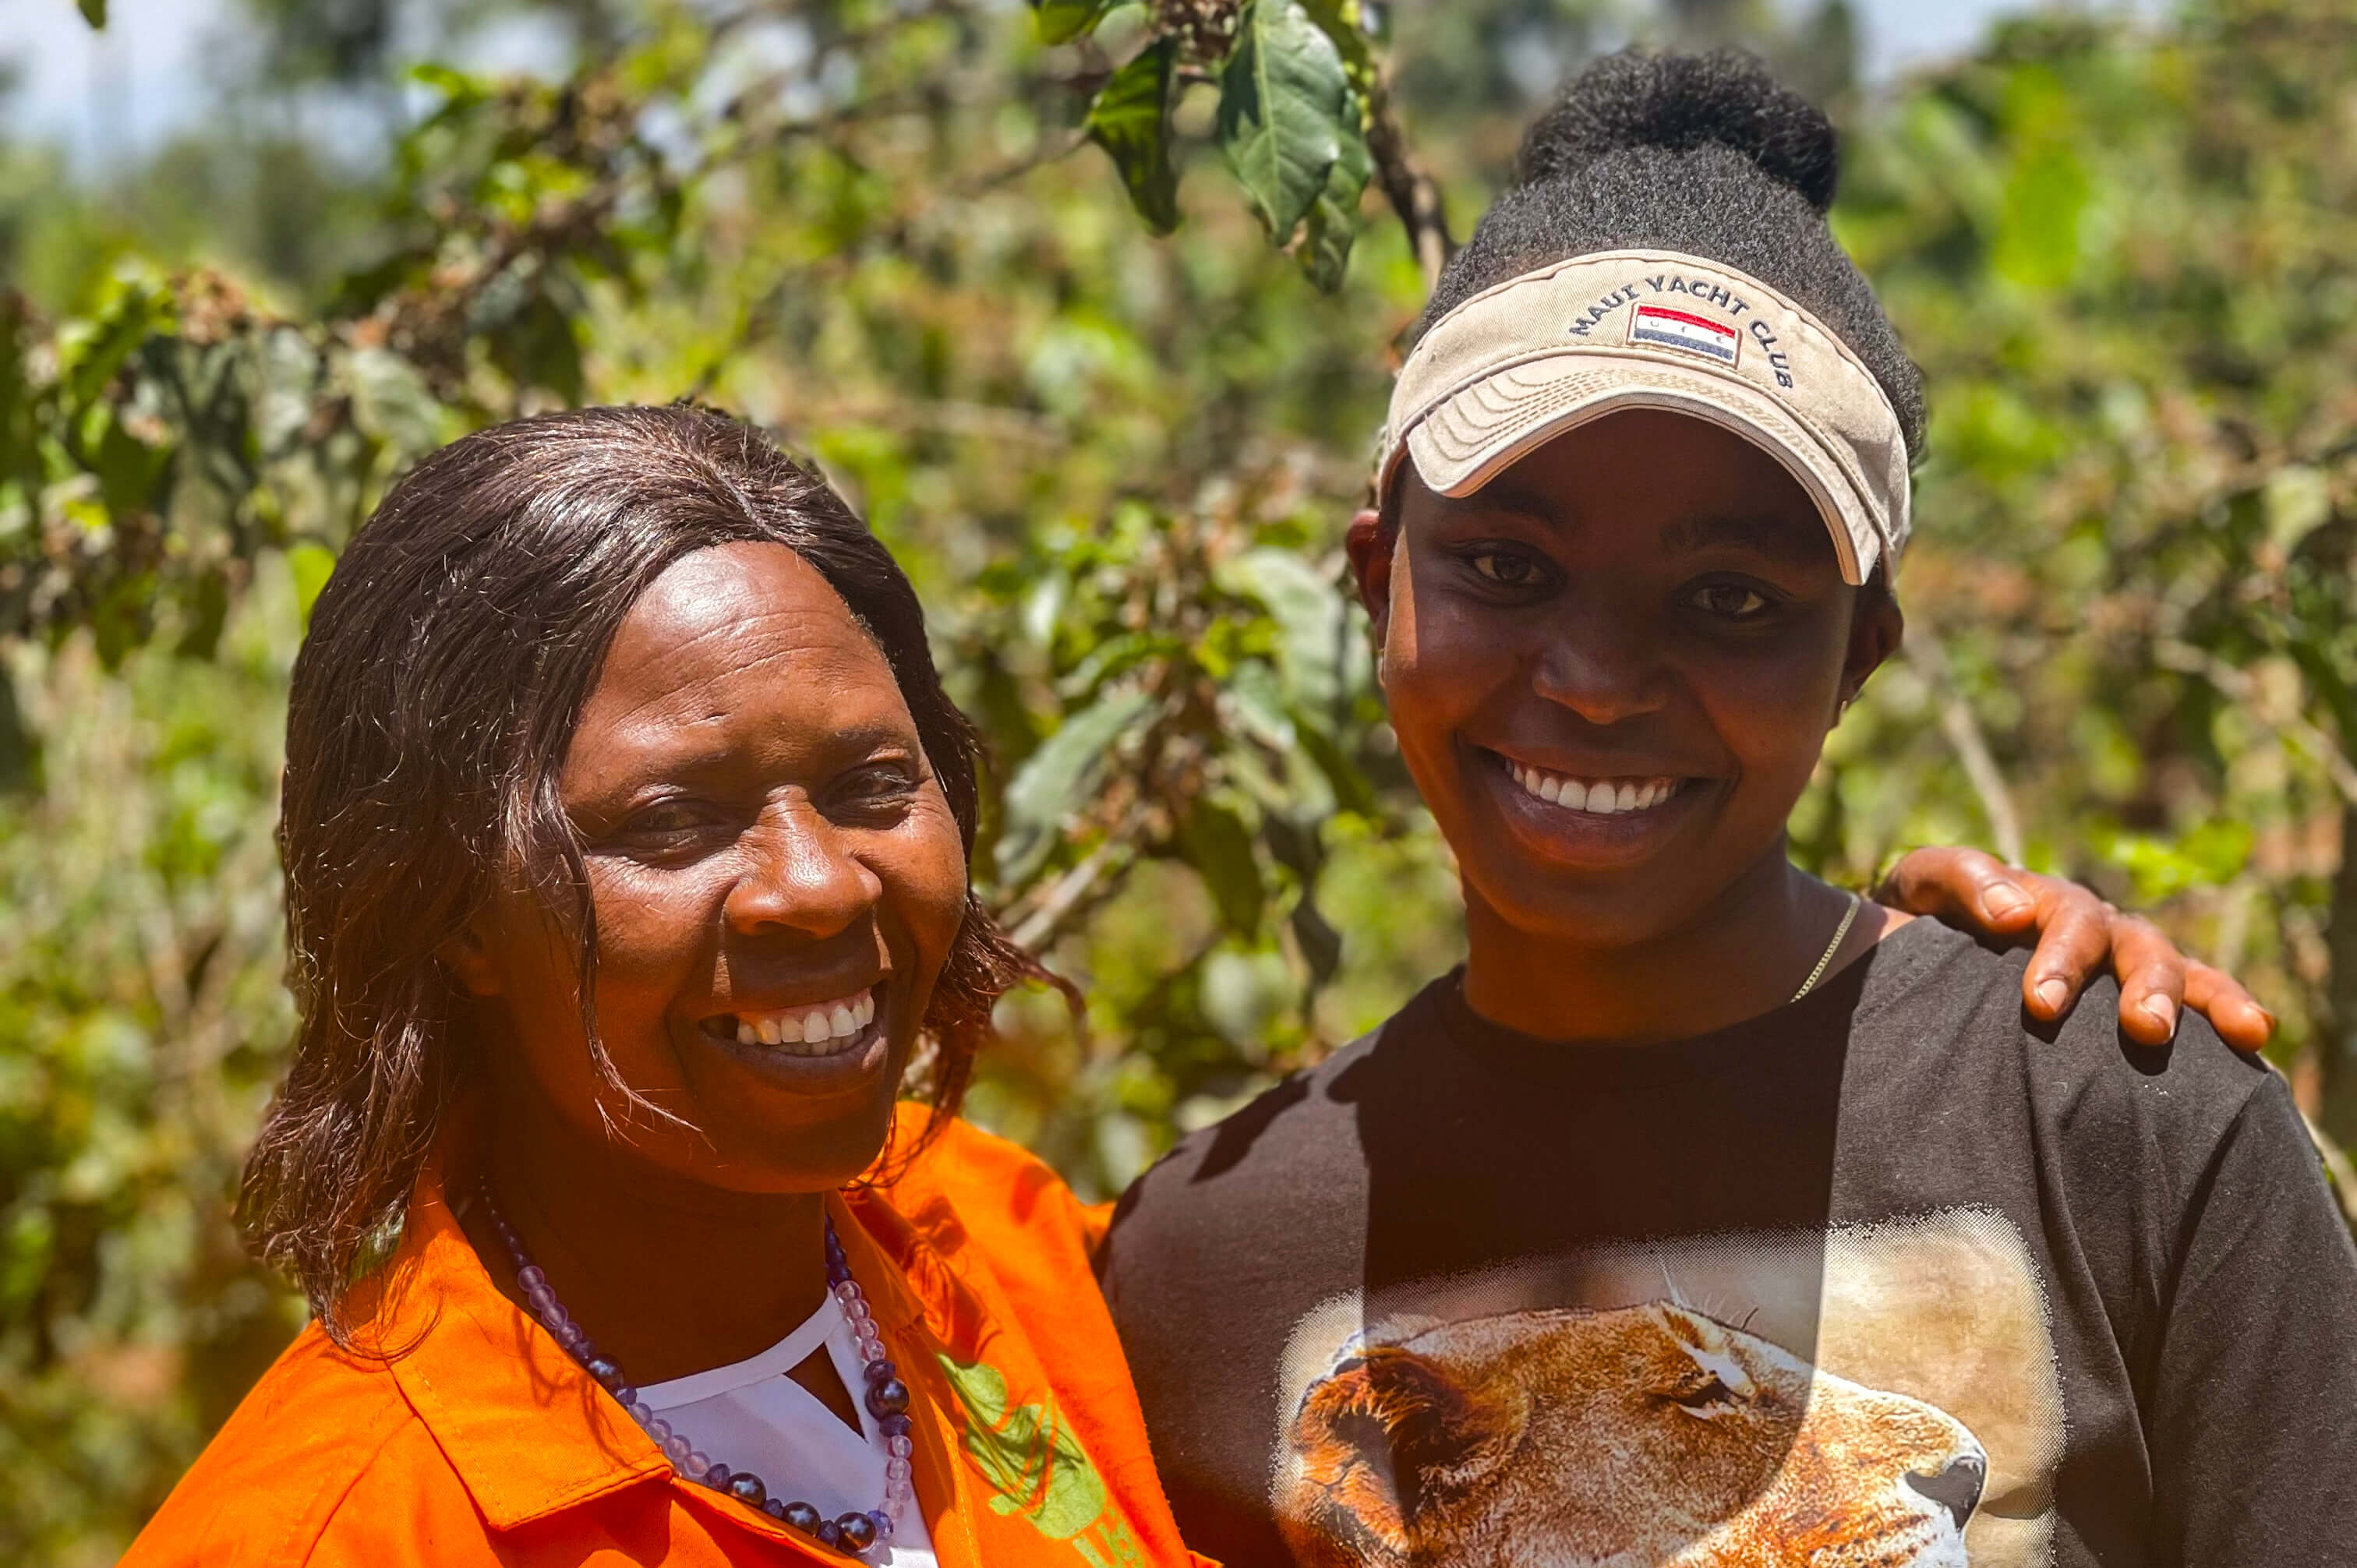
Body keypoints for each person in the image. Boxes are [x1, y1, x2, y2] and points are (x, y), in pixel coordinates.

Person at [1096, 51, 2357, 1568]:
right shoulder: (1202, 1264)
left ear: (1857, 659)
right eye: (1507, 565)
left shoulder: (2121, 1128)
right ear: (1380, 583)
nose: (1600, 678)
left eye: (1729, 596)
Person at [120, 407, 1205, 1568]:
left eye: (874, 783)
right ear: (453, 912)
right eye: (673, 820)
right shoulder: (343, 1532)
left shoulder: (994, 1244)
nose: (819, 886)